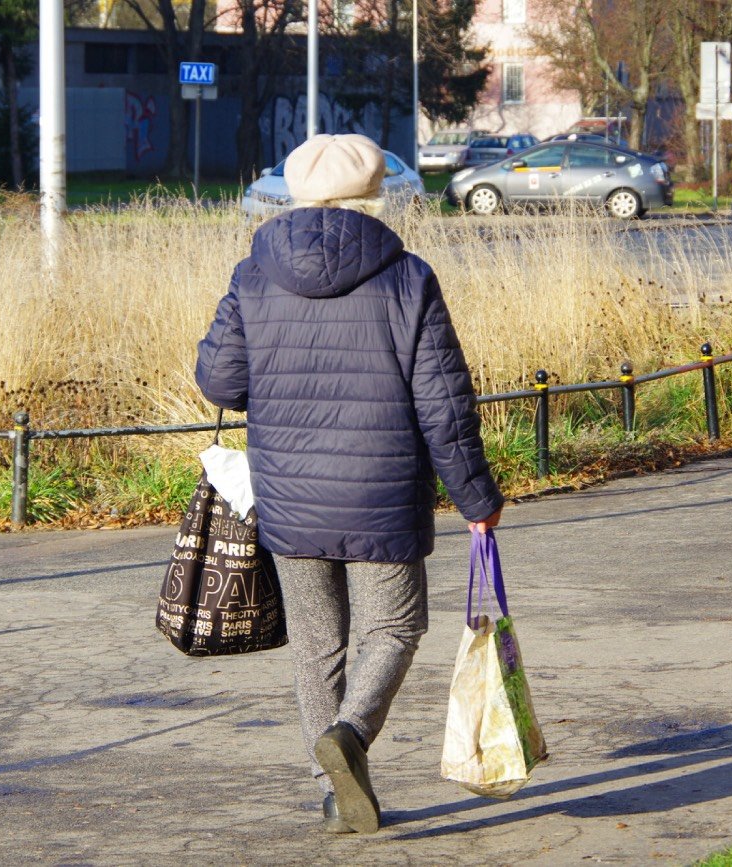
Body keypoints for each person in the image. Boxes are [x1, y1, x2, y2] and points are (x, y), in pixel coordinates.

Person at [195, 133, 504, 835]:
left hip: (289, 494)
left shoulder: (253, 274)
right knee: (395, 628)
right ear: (374, 195)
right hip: (381, 494)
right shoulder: (408, 278)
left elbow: (221, 383)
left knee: (317, 645)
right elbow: (445, 405)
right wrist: (476, 498)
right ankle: (352, 734)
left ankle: (334, 793)